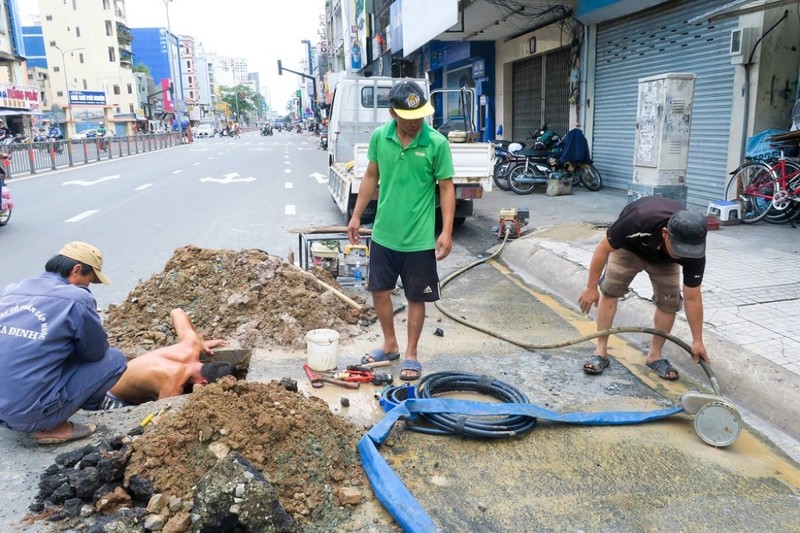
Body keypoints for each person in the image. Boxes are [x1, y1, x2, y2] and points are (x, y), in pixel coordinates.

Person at [346, 79, 455, 381]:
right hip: (384, 234)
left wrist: (446, 231)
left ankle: (411, 354)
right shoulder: (380, 138)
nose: (415, 122)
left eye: (419, 114)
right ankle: (390, 344)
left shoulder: (436, 143)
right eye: (408, 117)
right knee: (379, 291)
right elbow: (370, 175)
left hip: (419, 239)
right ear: (393, 113)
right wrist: (356, 216)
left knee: (415, 297)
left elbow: (446, 188)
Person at [0, 242, 127, 445]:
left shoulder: (11, 290)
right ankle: (52, 426)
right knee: (115, 359)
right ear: (76, 270)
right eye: (90, 280)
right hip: (26, 415)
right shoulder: (77, 299)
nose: (88, 286)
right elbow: (95, 353)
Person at [578, 196, 709, 380]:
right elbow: (603, 249)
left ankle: (654, 355)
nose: (685, 256)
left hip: (665, 262)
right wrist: (591, 287)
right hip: (630, 248)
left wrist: (697, 340)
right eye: (680, 249)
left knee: (669, 302)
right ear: (666, 233)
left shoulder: (694, 251)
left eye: (689, 251)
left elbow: (693, 298)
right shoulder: (638, 220)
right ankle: (600, 351)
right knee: (610, 291)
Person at [102, 308, 233, 409]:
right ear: (203, 383)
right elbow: (161, 419)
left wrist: (201, 342)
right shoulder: (173, 385)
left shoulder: (192, 345)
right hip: (112, 397)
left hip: (114, 374)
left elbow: (177, 312)